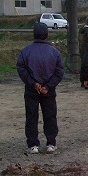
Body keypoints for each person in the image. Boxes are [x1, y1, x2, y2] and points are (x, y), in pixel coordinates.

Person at [16, 22, 64, 154]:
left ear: (34, 34)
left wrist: (33, 83)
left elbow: (21, 69)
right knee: (50, 115)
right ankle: (51, 142)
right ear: (47, 35)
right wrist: (48, 86)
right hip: (49, 89)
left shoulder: (25, 51)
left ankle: (33, 144)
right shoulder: (54, 52)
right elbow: (59, 71)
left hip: (32, 89)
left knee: (31, 116)